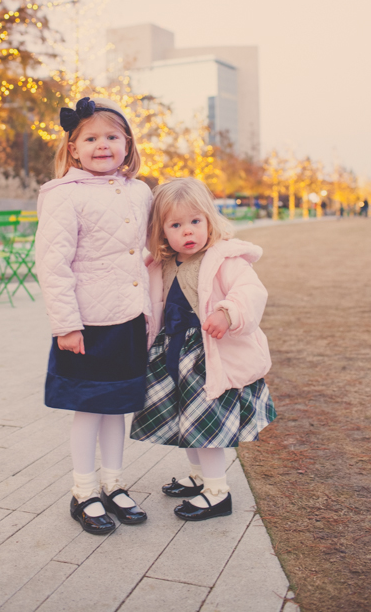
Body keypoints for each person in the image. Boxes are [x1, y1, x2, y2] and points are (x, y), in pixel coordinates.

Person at [35, 97, 151, 536]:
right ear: (73, 148)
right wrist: (66, 324)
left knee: (117, 408)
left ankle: (114, 483)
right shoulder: (64, 195)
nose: (102, 145)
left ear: (126, 144)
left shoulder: (139, 191)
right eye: (91, 138)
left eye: (111, 137)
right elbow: (52, 263)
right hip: (87, 323)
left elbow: (145, 251)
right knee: (88, 408)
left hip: (128, 319)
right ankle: (84, 490)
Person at [131, 177, 276, 522]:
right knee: (188, 423)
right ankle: (199, 478)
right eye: (176, 224)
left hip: (210, 358)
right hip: (173, 355)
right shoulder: (161, 264)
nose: (188, 231)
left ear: (209, 220)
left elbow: (250, 292)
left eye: (195, 221)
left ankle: (217, 492)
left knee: (205, 429)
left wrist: (228, 313)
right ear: (162, 231)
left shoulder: (225, 260)